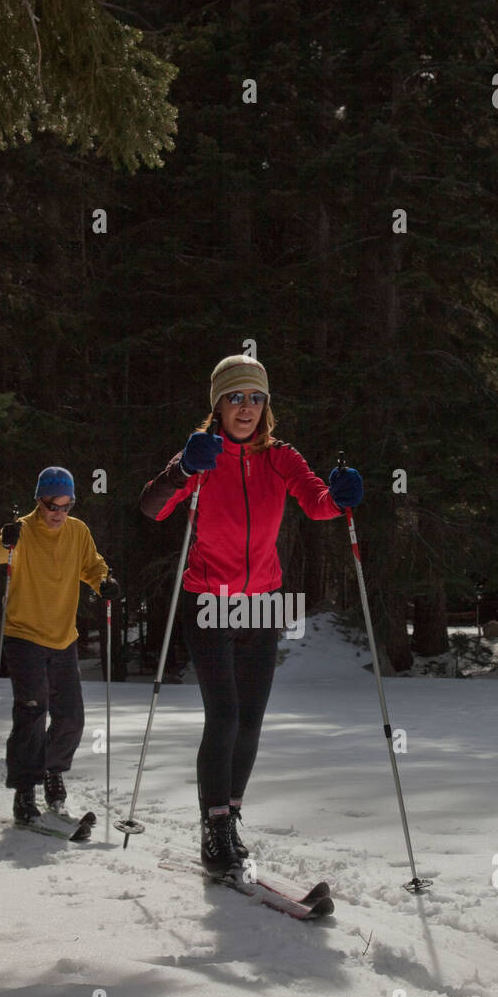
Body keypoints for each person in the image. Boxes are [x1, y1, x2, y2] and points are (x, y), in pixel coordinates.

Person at [140, 355, 363, 877]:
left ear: (267, 406)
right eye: (236, 397)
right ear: (217, 403)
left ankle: (230, 816)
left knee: (252, 720)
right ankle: (213, 829)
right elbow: (152, 508)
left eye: (256, 398)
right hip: (207, 601)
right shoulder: (201, 454)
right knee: (225, 716)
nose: (247, 408)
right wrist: (183, 469)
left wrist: (343, 495)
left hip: (262, 603)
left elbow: (318, 503)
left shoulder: (280, 457)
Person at [0, 466, 121, 825]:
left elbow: (92, 566)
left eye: (66, 506)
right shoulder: (21, 531)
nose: (59, 513)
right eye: (53, 506)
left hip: (64, 638)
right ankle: (24, 791)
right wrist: (6, 541)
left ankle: (52, 770)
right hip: (24, 636)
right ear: (39, 500)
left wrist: (104, 581)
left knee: (71, 718)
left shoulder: (77, 531)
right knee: (32, 712)